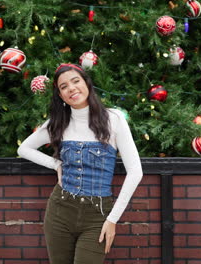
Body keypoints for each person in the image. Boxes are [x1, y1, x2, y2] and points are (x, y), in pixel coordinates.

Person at [17, 63, 143, 264]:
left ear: (87, 83)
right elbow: (23, 149)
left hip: (98, 215)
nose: (71, 88)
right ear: (60, 95)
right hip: (60, 210)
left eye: (76, 81)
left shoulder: (114, 119)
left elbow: (136, 171)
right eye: (64, 86)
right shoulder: (57, 122)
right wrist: (56, 164)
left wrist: (112, 220)